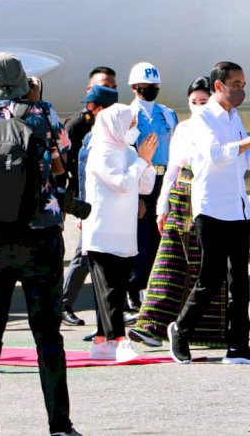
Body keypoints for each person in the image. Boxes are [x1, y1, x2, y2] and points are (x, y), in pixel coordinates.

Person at [0, 53, 81, 436]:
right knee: (47, 335)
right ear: (24, 81)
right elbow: (60, 166)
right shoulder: (44, 113)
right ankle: (59, 425)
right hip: (40, 237)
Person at [167, 61, 250, 365]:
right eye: (236, 85)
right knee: (211, 277)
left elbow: (248, 162)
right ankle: (180, 329)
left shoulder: (234, 117)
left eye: (243, 85)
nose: (241, 90)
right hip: (212, 207)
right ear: (219, 86)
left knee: (239, 281)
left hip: (238, 209)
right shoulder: (203, 118)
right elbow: (217, 155)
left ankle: (238, 347)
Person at [130, 77, 228, 348]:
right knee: (167, 263)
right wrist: (162, 206)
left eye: (203, 101)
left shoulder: (225, 126)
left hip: (211, 200)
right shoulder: (184, 128)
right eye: (193, 102)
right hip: (181, 200)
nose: (198, 106)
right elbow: (172, 170)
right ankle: (150, 327)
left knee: (206, 266)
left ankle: (204, 332)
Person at [82, 104, 157, 361]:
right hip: (102, 232)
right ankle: (120, 341)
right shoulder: (100, 151)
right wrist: (141, 161)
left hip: (124, 231)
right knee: (110, 289)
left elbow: (144, 187)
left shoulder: (130, 151)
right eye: (130, 124)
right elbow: (122, 184)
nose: (134, 129)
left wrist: (147, 162)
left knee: (117, 287)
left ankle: (101, 341)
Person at [61, 67, 118, 327]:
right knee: (84, 253)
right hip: (85, 198)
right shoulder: (77, 125)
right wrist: (72, 203)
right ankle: (63, 303)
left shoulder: (114, 121)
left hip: (107, 196)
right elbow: (68, 166)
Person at [128, 61, 178, 311]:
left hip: (164, 178)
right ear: (135, 87)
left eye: (155, 85)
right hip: (140, 179)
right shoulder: (128, 115)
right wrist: (136, 194)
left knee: (162, 238)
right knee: (141, 238)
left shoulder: (168, 114)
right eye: (146, 85)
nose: (151, 89)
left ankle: (156, 290)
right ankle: (134, 290)